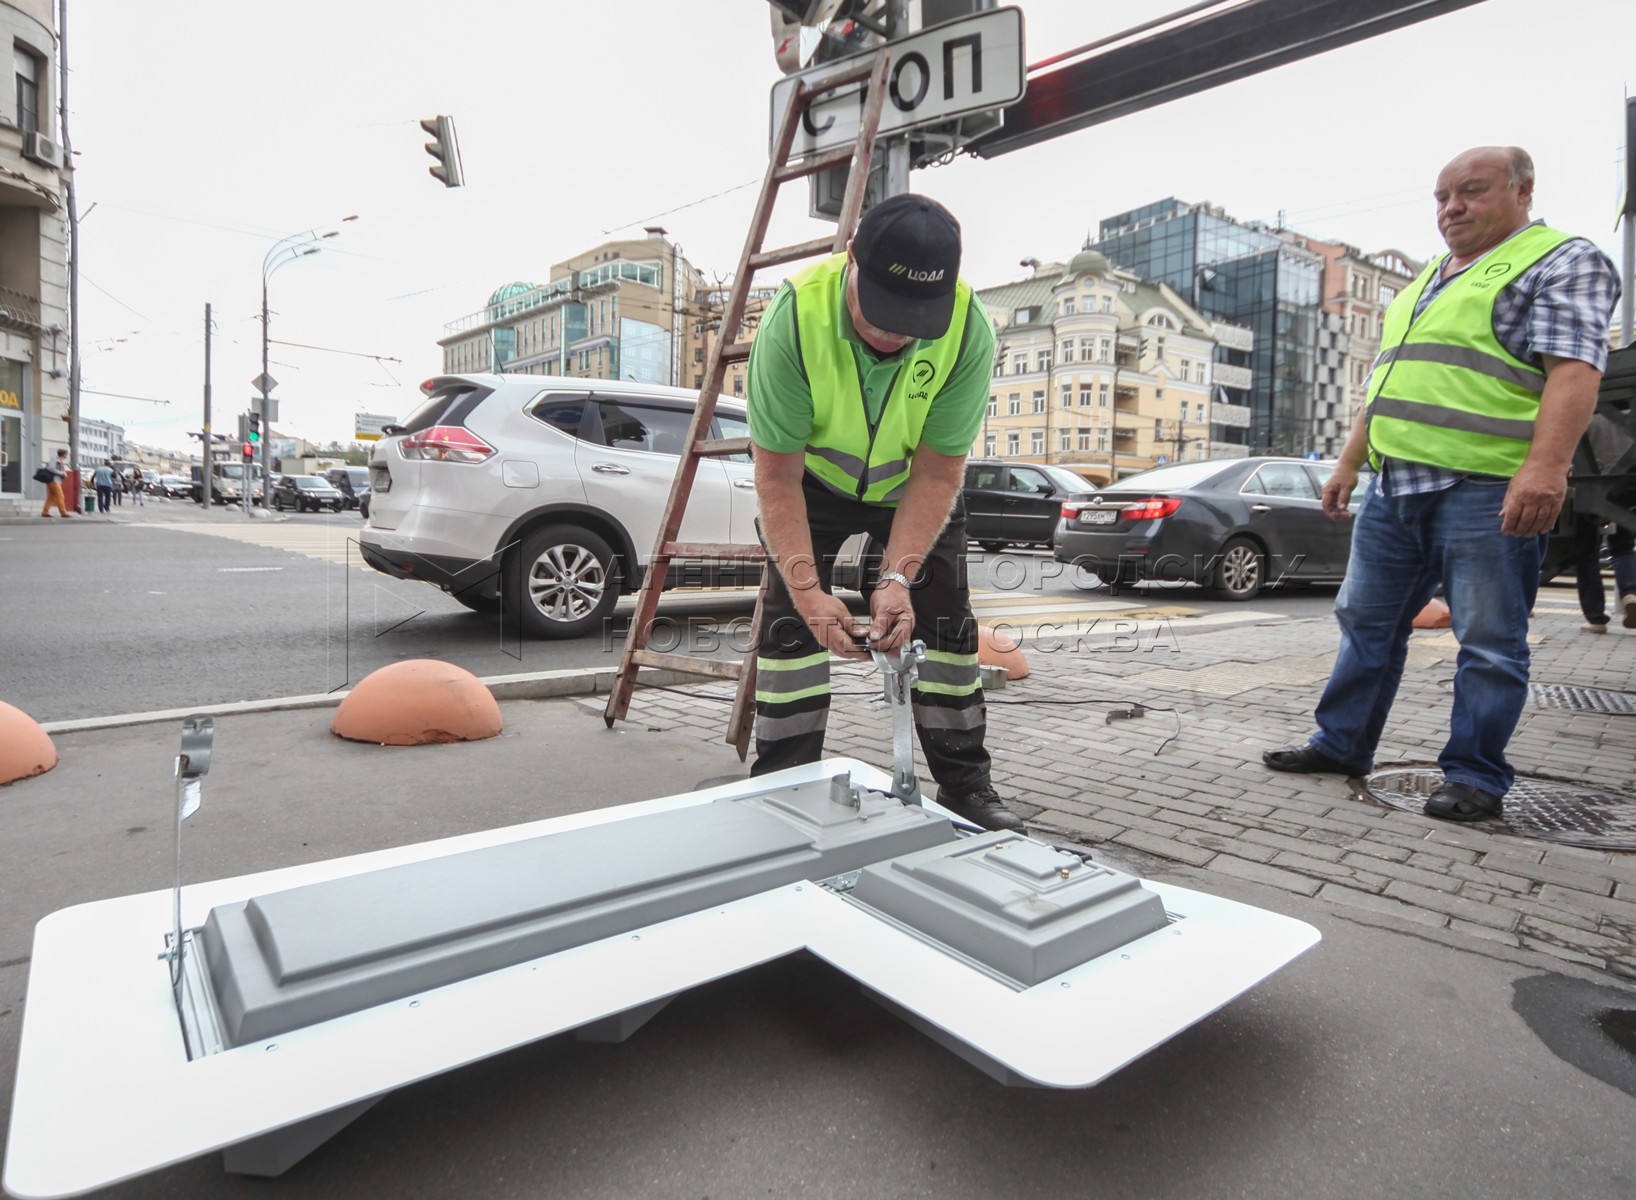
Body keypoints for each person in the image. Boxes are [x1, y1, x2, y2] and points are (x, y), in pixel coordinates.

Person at [1263, 146, 1620, 822]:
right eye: (1442, 196)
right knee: (1366, 624)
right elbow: (1385, 386)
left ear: (1523, 191)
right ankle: (1341, 744)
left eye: (1472, 191)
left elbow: (1575, 369)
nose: (1452, 207)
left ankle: (1475, 776)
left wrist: (1545, 468)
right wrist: (1348, 464)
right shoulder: (1427, 280)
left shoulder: (1560, 259)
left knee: (1488, 641)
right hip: (1394, 487)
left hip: (1484, 486)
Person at [745, 193, 1023, 833]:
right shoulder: (795, 319)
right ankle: (783, 782)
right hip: (812, 480)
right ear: (852, 259)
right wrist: (811, 594)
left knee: (945, 616)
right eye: (883, 311)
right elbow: (777, 474)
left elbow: (938, 471)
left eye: (912, 320)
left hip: (909, 483)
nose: (894, 334)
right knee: (791, 618)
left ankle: (966, 785)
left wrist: (896, 577)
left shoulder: (967, 329)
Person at [1571, 411, 1636, 632]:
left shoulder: (1590, 414)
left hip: (1591, 486)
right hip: (1628, 487)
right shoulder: (1629, 415)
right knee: (1623, 546)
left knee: (1586, 552)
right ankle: (1631, 593)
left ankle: (1596, 618)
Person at [39, 448, 72, 518]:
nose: (67, 456)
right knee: (60, 496)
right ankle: (63, 513)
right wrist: (62, 473)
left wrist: (63, 474)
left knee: (51, 497)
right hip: (53, 481)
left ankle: (45, 512)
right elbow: (51, 469)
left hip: (56, 481)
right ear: (63, 454)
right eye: (66, 454)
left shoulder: (60, 461)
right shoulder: (54, 460)